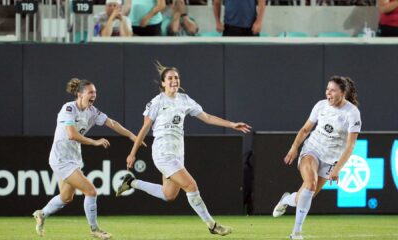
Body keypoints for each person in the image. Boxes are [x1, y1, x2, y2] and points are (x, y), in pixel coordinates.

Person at [116, 63, 251, 236]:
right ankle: (212, 225)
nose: (174, 81)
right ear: (163, 83)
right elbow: (145, 128)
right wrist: (132, 153)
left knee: (168, 195)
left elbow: (207, 117)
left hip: (178, 152)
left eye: (176, 78)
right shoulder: (157, 102)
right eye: (170, 78)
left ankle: (132, 182)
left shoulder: (185, 100)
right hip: (163, 153)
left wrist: (232, 124)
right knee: (191, 185)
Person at [32, 78, 141, 240]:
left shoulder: (92, 111)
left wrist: (132, 135)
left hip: (74, 158)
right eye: (90, 92)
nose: (94, 95)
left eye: (95, 92)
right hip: (61, 159)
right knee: (91, 191)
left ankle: (41, 214)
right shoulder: (68, 108)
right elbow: (72, 134)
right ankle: (95, 229)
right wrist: (95, 142)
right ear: (80, 94)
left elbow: (112, 123)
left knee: (66, 197)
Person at [272, 76, 361, 240]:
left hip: (331, 159)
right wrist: (294, 148)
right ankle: (296, 233)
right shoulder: (320, 106)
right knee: (310, 183)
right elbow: (305, 130)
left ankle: (286, 199)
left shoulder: (352, 113)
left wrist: (337, 168)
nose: (329, 93)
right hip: (312, 150)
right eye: (327, 89)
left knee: (305, 196)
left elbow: (350, 146)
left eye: (333, 90)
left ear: (343, 92)